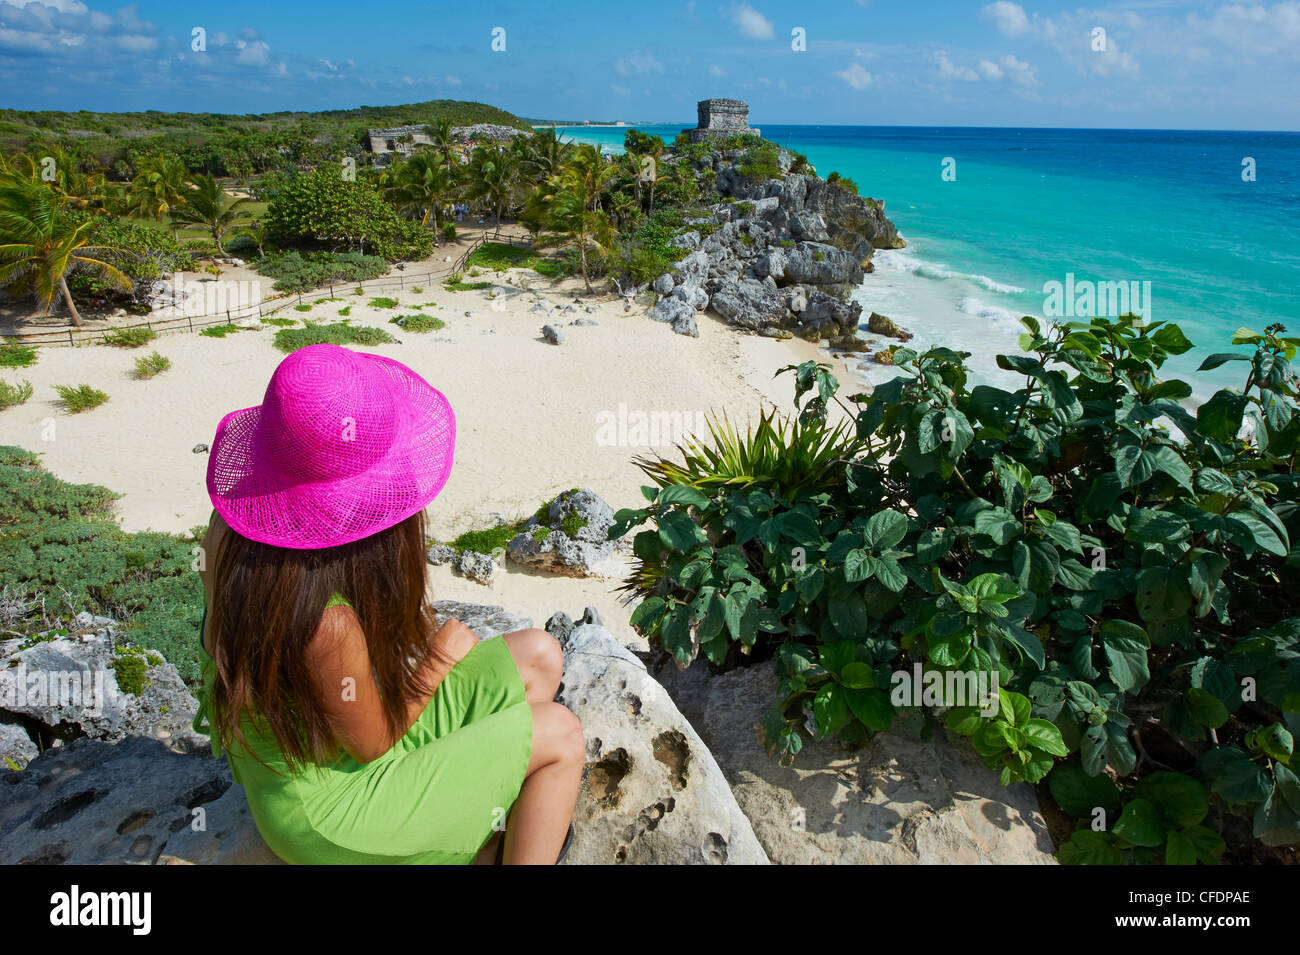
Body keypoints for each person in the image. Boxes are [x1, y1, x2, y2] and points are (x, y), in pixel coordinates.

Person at [192, 343, 583, 864]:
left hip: (338, 746)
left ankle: (476, 829)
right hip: (330, 812)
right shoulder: (324, 622)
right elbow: (373, 744)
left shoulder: (234, 529)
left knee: (538, 655)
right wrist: (439, 659)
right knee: (559, 734)